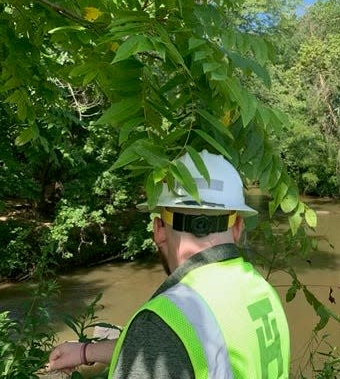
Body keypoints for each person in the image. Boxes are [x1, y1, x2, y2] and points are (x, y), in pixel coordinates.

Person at [48, 150, 290, 378]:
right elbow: (195, 349)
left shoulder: (163, 320)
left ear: (158, 230)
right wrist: (86, 352)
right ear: (238, 227)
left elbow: (166, 341)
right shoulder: (261, 293)